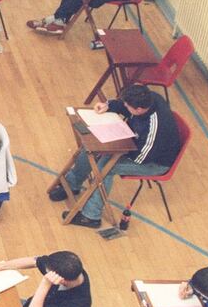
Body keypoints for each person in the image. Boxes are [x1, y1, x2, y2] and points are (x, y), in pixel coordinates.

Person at [48, 84, 180, 228]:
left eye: (127, 106)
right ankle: (73, 184)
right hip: (136, 145)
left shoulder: (156, 127)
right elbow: (124, 107)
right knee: (90, 148)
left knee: (106, 167)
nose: (125, 107)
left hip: (153, 163)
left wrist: (115, 148)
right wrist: (109, 106)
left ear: (139, 110)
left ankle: (91, 216)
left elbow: (142, 157)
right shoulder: (148, 98)